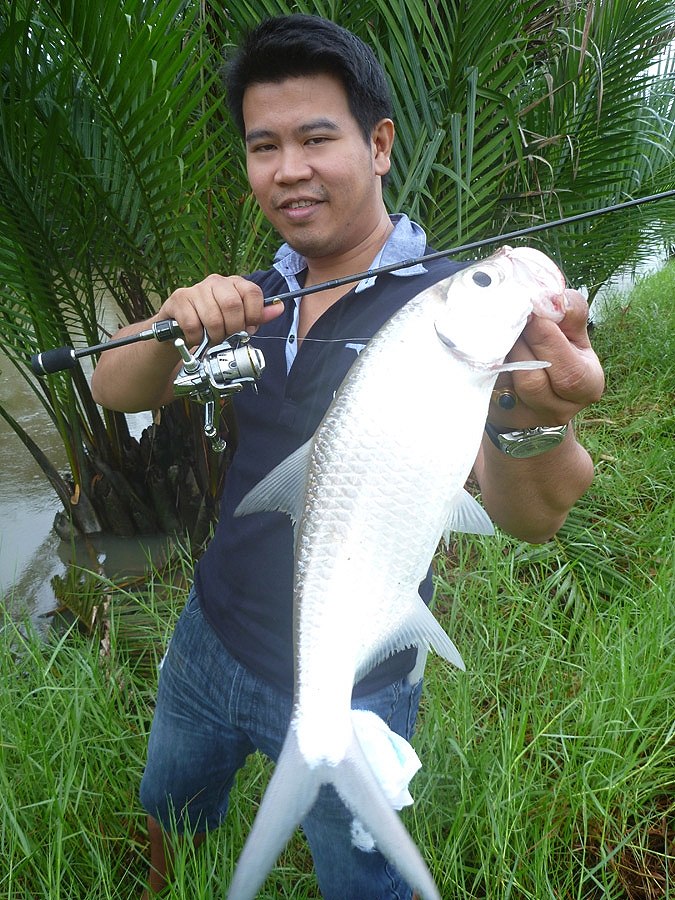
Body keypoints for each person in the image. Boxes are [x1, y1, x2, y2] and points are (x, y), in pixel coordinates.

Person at [91, 14, 604, 899]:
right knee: (171, 807)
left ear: (378, 145)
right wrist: (175, 323)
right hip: (211, 635)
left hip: (361, 677)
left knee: (363, 885)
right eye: (264, 146)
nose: (288, 169)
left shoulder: (450, 311)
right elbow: (113, 388)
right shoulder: (258, 294)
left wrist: (530, 415)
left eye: (315, 138)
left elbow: (530, 515)